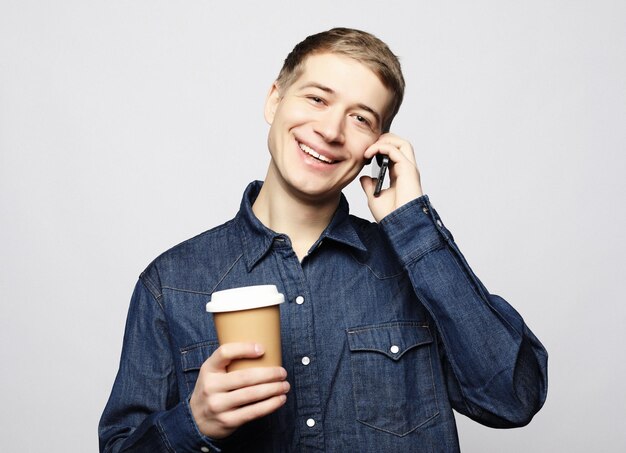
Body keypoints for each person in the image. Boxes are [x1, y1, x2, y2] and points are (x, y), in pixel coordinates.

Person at [99, 27, 548, 452]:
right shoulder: (171, 283)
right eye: (317, 98)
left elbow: (514, 397)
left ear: (378, 145)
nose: (331, 131)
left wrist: (415, 226)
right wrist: (192, 423)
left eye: (360, 118)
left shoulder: (413, 265)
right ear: (275, 100)